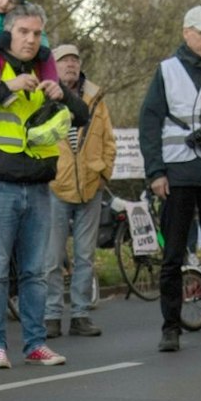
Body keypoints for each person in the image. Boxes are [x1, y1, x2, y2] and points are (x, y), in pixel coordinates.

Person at [0, 1, 87, 368]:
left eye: (36, 33)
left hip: (38, 185)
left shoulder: (45, 68)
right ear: (8, 32)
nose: (30, 40)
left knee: (36, 271)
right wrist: (6, 86)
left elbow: (83, 116)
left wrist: (64, 94)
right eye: (23, 32)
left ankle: (35, 343)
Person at [139, 4, 201, 351]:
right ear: (187, 33)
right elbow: (149, 122)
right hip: (177, 174)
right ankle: (170, 327)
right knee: (173, 255)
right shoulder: (166, 71)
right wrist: (155, 171)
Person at [42, 44, 114, 338]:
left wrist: (103, 174)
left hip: (90, 184)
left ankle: (81, 314)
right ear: (53, 65)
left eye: (74, 60)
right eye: (63, 60)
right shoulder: (44, 94)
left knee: (85, 255)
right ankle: (52, 315)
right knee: (52, 257)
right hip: (55, 184)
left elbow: (109, 140)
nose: (70, 65)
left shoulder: (94, 97)